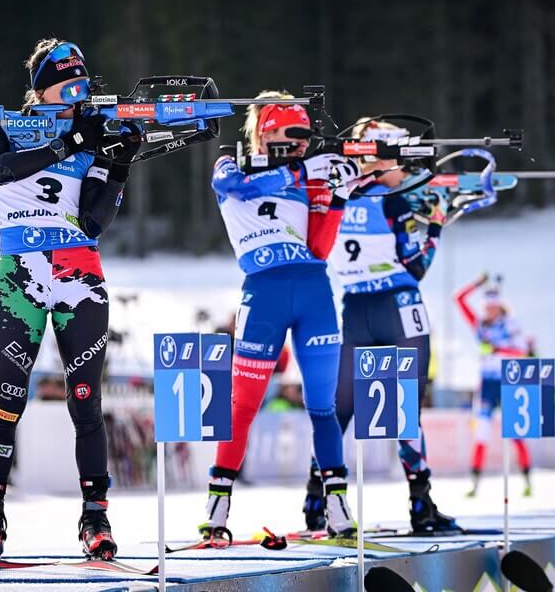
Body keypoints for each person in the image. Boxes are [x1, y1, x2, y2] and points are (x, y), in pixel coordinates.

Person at [0, 38, 139, 561]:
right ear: (40, 88)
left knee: (85, 402)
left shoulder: (89, 133)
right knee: (7, 402)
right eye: (70, 84)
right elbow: (2, 169)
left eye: (85, 84)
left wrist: (118, 165)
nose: (81, 94)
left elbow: (92, 220)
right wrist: (69, 145)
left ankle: (95, 517)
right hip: (19, 274)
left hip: (77, 275)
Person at [200, 91, 359, 540]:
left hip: (313, 291)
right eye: (296, 134)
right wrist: (304, 170)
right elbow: (240, 189)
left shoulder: (306, 176)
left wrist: (338, 195)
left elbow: (320, 249)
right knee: (243, 406)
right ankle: (216, 513)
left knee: (322, 407)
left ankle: (337, 507)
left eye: (309, 136)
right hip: (263, 291)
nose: (305, 142)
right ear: (268, 131)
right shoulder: (229, 164)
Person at [306, 119, 458, 533]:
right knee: (405, 411)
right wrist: (438, 224)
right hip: (398, 304)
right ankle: (421, 505)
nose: (405, 172)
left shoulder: (331, 194)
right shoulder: (396, 200)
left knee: (338, 410)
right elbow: (418, 266)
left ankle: (316, 501)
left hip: (354, 308)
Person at [455, 273, 535, 497]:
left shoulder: (511, 324)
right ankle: (474, 483)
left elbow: (522, 352)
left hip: (507, 380)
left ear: (499, 307)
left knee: (516, 432)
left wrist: (498, 349)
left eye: (493, 308)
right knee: (481, 433)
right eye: (486, 308)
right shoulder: (480, 324)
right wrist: (476, 283)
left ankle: (527, 480)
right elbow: (458, 299)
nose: (489, 312)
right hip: (487, 382)